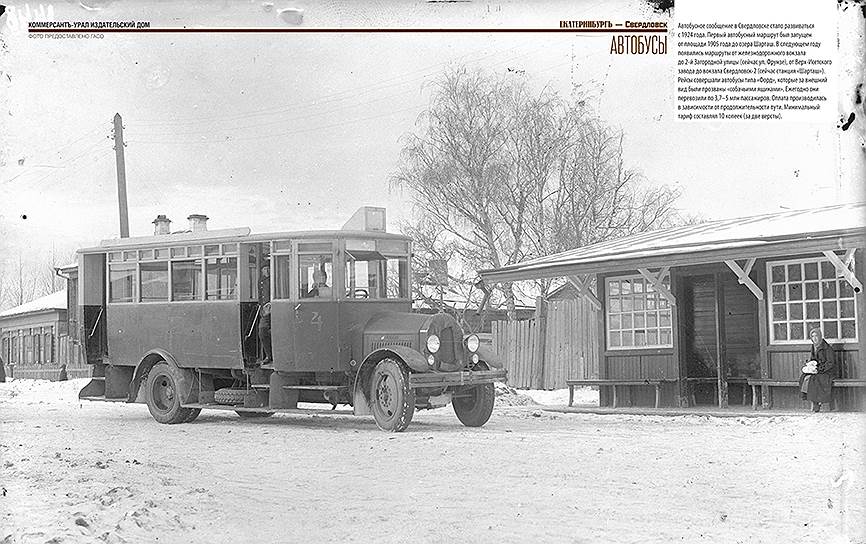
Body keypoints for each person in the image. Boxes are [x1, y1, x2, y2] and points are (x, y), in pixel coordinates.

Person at [799, 327, 836, 412]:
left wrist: (819, 369)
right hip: (818, 370)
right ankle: (813, 400)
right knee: (804, 377)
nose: (815, 338)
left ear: (820, 336)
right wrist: (810, 365)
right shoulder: (813, 347)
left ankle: (817, 403)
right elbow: (813, 359)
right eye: (812, 336)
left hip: (827, 372)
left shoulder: (827, 348)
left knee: (813, 380)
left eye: (816, 336)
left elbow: (830, 363)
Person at [257, 264, 273, 364]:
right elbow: (261, 295)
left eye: (268, 269)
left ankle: (270, 356)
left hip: (273, 309)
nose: (267, 271)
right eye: (265, 269)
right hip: (264, 311)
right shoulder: (261, 280)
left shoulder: (274, 279)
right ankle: (268, 355)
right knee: (262, 332)